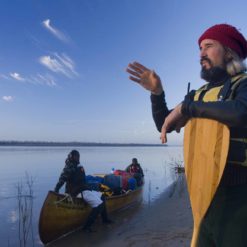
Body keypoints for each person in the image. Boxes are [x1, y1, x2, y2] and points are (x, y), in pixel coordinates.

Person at [126, 24, 247, 246]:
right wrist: (157, 93)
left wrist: (188, 108)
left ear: (229, 51)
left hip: (238, 197)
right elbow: (165, 124)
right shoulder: (198, 95)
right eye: (200, 48)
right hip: (202, 194)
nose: (201, 53)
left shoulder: (243, 84)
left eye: (209, 46)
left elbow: (241, 113)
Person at [54, 150, 112, 232]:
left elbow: (82, 180)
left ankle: (105, 219)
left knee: (102, 196)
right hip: (77, 192)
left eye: (78, 156)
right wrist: (56, 189)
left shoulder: (78, 166)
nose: (78, 158)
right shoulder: (70, 167)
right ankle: (86, 227)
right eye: (76, 156)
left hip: (83, 189)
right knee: (99, 205)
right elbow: (62, 179)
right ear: (72, 157)